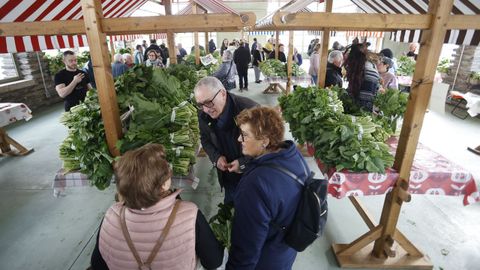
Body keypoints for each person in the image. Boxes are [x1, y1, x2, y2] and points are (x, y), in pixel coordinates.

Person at [90, 144, 224, 270]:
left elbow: (98, 265)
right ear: (164, 185)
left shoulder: (111, 217)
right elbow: (214, 262)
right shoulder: (190, 214)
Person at [226, 106, 309, 270]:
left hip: (264, 261)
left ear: (264, 141)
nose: (239, 139)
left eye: (245, 135)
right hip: (285, 253)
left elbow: (246, 248)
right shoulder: (292, 155)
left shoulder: (254, 185)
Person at [194, 77, 258, 204]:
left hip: (254, 175)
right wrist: (216, 158)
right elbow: (205, 139)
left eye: (208, 102)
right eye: (200, 104)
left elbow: (266, 147)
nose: (206, 109)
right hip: (227, 176)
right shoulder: (203, 114)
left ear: (222, 93)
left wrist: (243, 163)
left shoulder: (250, 110)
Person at [344, 43, 380, 111]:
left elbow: (365, 99)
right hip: (361, 108)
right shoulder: (367, 68)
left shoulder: (367, 72)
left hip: (362, 110)